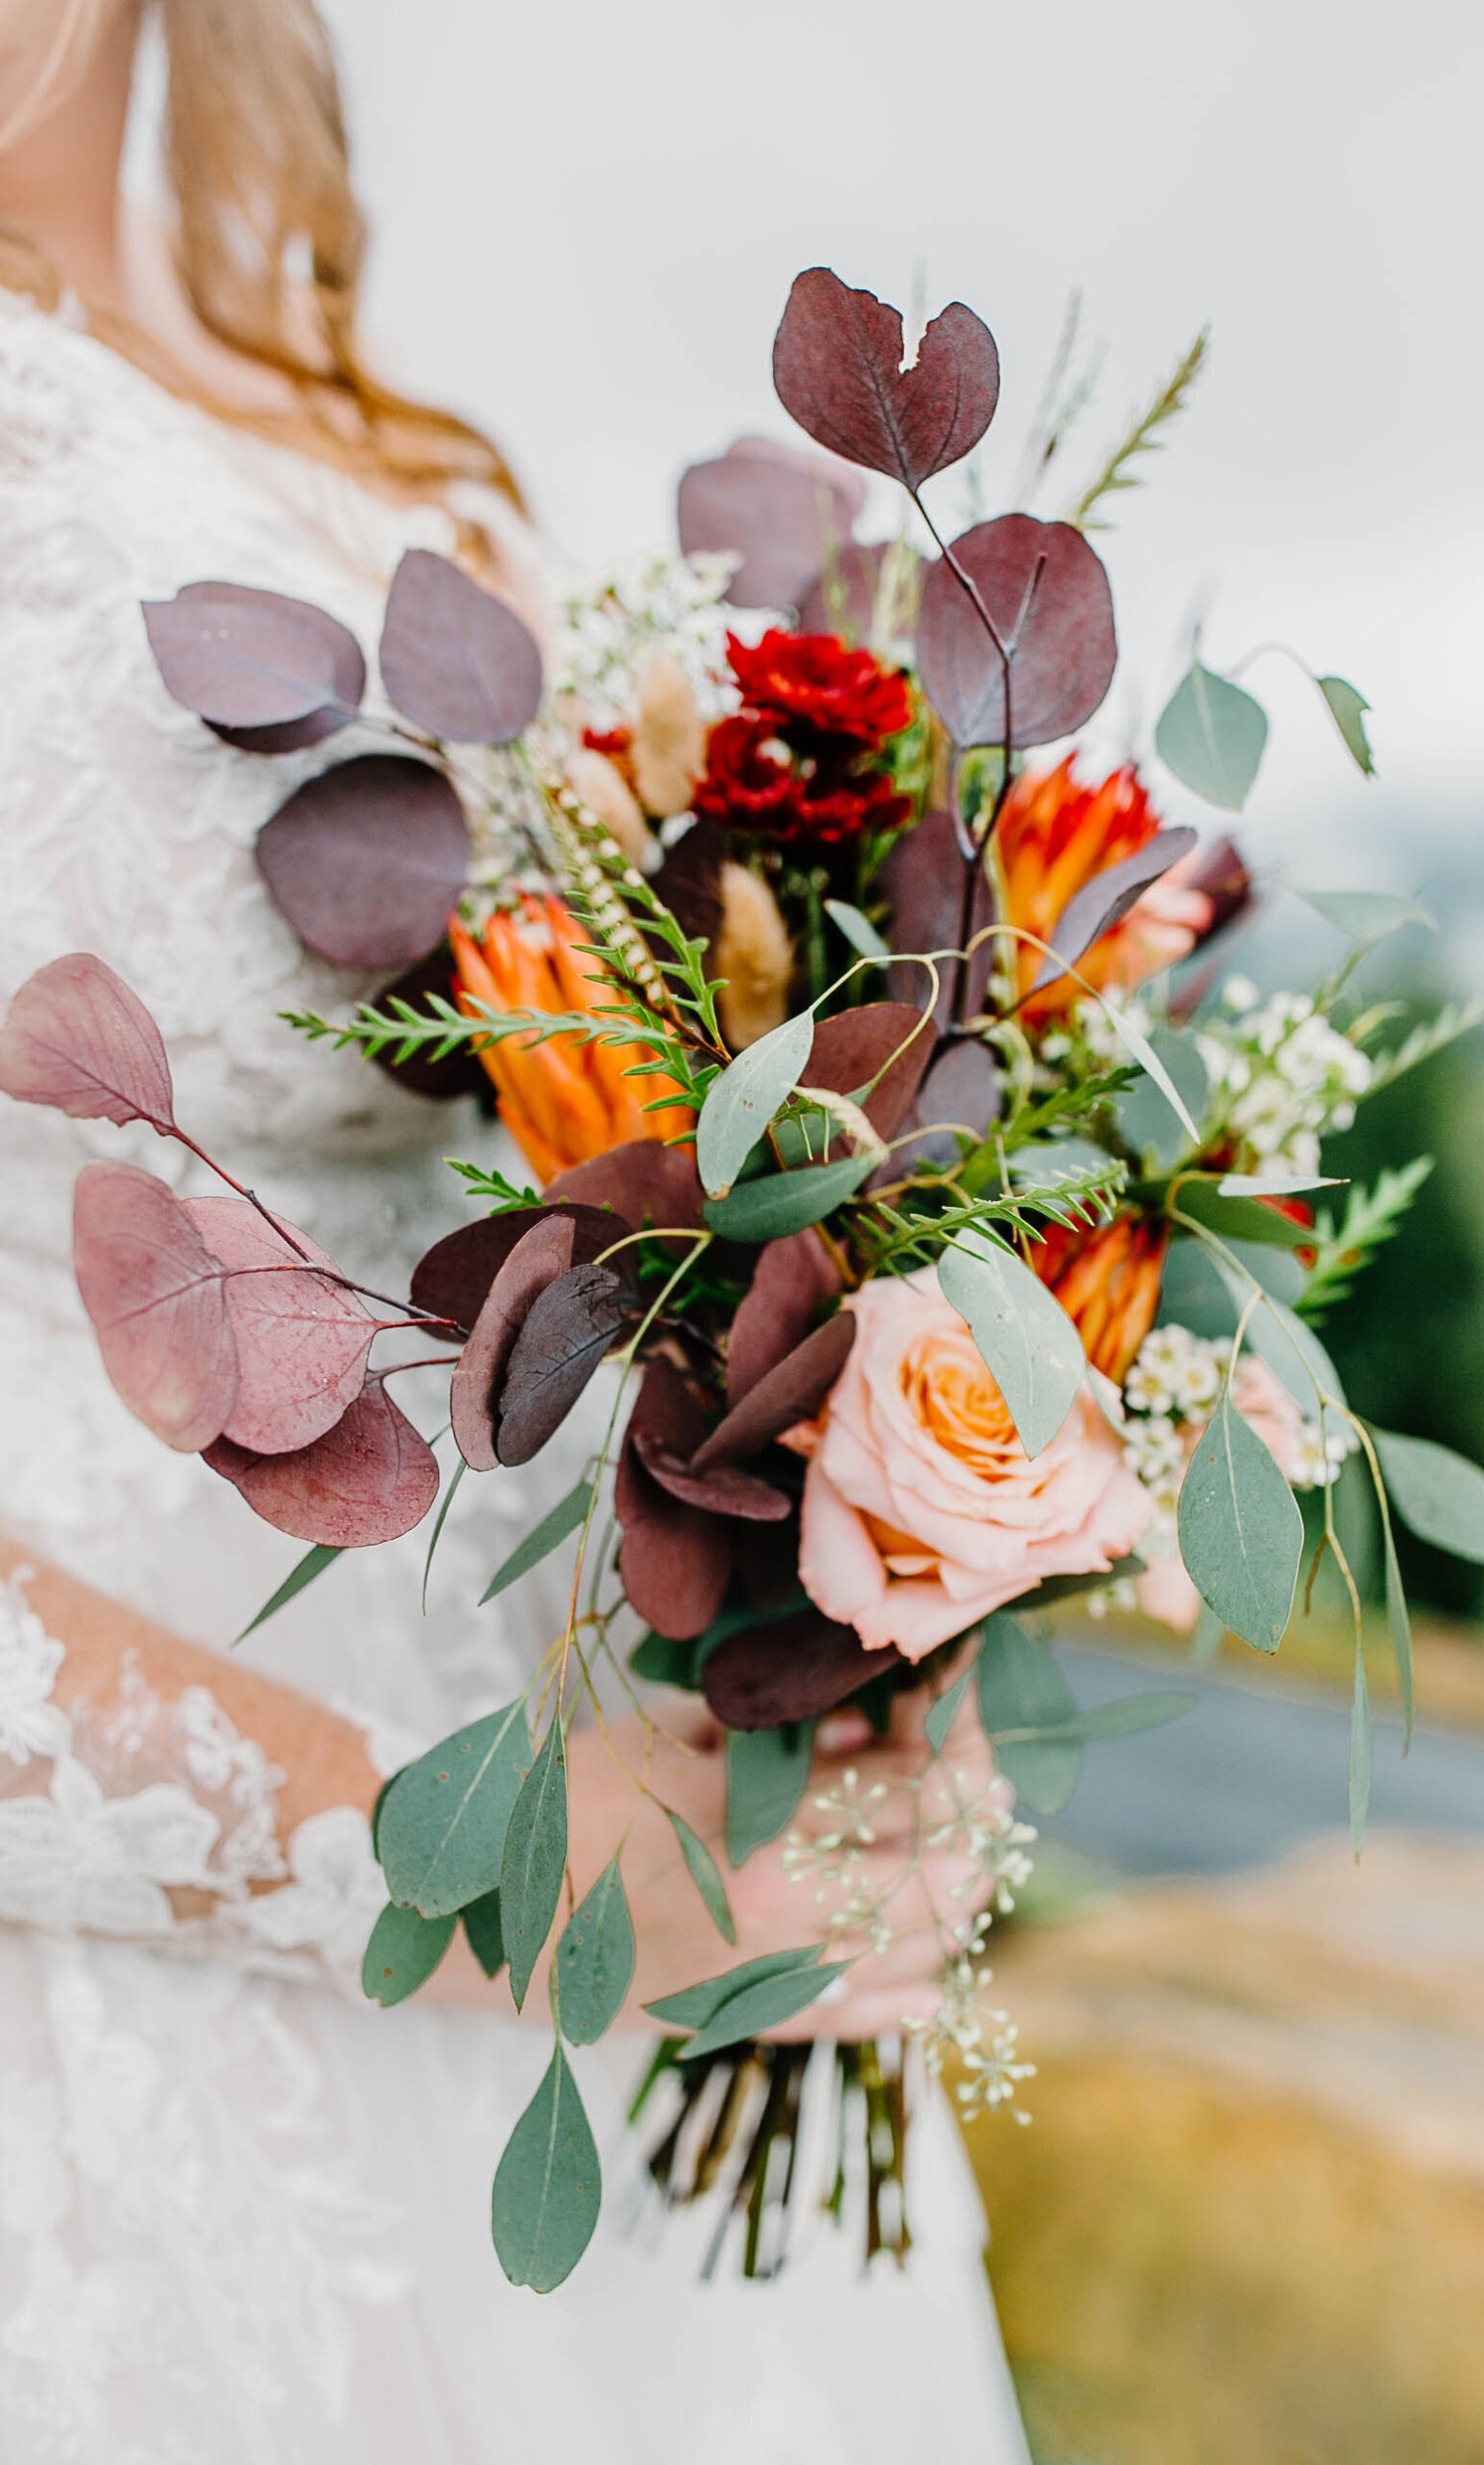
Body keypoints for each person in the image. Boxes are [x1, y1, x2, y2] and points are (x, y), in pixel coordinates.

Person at [0, 4, 1031, 2456]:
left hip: (643, 1967)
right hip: (172, 2035)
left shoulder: (333, 420)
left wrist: (873, 1598)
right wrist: (488, 1873)